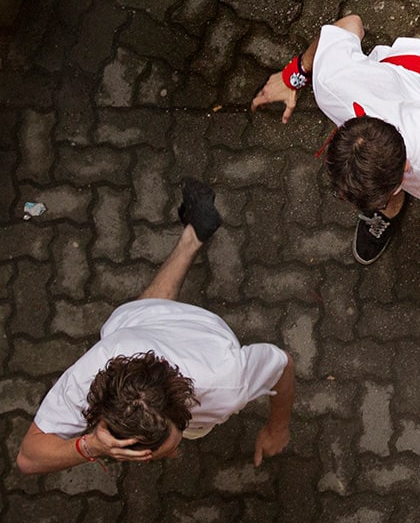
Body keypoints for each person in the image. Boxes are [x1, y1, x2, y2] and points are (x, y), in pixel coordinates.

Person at [16, 180, 295, 474]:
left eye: (165, 448)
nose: (172, 454)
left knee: (134, 320)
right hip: (139, 327)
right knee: (134, 319)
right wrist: (90, 446)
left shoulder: (229, 381)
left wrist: (278, 428)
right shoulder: (90, 372)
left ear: (182, 404)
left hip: (206, 333)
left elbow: (284, 364)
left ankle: (193, 236)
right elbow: (28, 458)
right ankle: (195, 233)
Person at [251, 14, 420, 283]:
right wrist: (295, 74)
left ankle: (389, 211)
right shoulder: (331, 83)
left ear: (407, 168)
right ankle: (388, 209)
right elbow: (348, 24)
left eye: (383, 199)